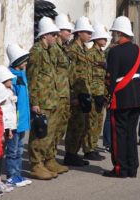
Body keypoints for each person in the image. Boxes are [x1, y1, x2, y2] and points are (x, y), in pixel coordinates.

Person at [103, 16, 140, 178]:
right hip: (137, 96)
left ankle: (120, 168)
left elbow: (111, 77)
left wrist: (108, 96)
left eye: (115, 32)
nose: (114, 35)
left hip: (121, 97)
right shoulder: (137, 50)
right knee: (130, 133)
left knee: (118, 134)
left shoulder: (114, 51)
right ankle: (132, 168)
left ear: (120, 33)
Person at [27, 16, 60, 180]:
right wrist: (34, 102)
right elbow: (32, 78)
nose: (55, 37)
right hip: (41, 101)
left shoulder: (48, 50)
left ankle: (46, 161)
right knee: (39, 134)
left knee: (49, 134)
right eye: (53, 34)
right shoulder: (37, 52)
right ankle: (36, 165)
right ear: (44, 35)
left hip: (51, 99)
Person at [44, 13, 74, 174]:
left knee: (60, 129)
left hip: (65, 93)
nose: (69, 33)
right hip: (57, 94)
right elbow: (52, 72)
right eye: (67, 30)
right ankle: (47, 159)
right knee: (52, 129)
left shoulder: (63, 48)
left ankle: (52, 158)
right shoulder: (53, 49)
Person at [63, 16, 94, 166]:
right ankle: (70, 154)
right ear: (79, 33)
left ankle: (74, 153)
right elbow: (70, 74)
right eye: (87, 32)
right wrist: (73, 96)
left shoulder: (84, 49)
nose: (90, 35)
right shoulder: (72, 51)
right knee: (74, 126)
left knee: (82, 125)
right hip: (76, 93)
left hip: (84, 92)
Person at [5, 44, 33, 186]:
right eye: (24, 60)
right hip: (14, 122)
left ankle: (18, 175)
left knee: (19, 150)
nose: (26, 63)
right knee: (13, 151)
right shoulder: (11, 78)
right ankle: (11, 176)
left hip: (21, 121)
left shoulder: (21, 75)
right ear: (17, 62)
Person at [82, 23, 111, 160]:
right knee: (92, 122)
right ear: (96, 39)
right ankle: (89, 149)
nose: (105, 41)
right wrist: (95, 93)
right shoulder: (92, 54)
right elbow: (89, 75)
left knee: (98, 122)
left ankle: (93, 146)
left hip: (101, 92)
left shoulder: (101, 53)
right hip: (94, 93)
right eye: (103, 38)